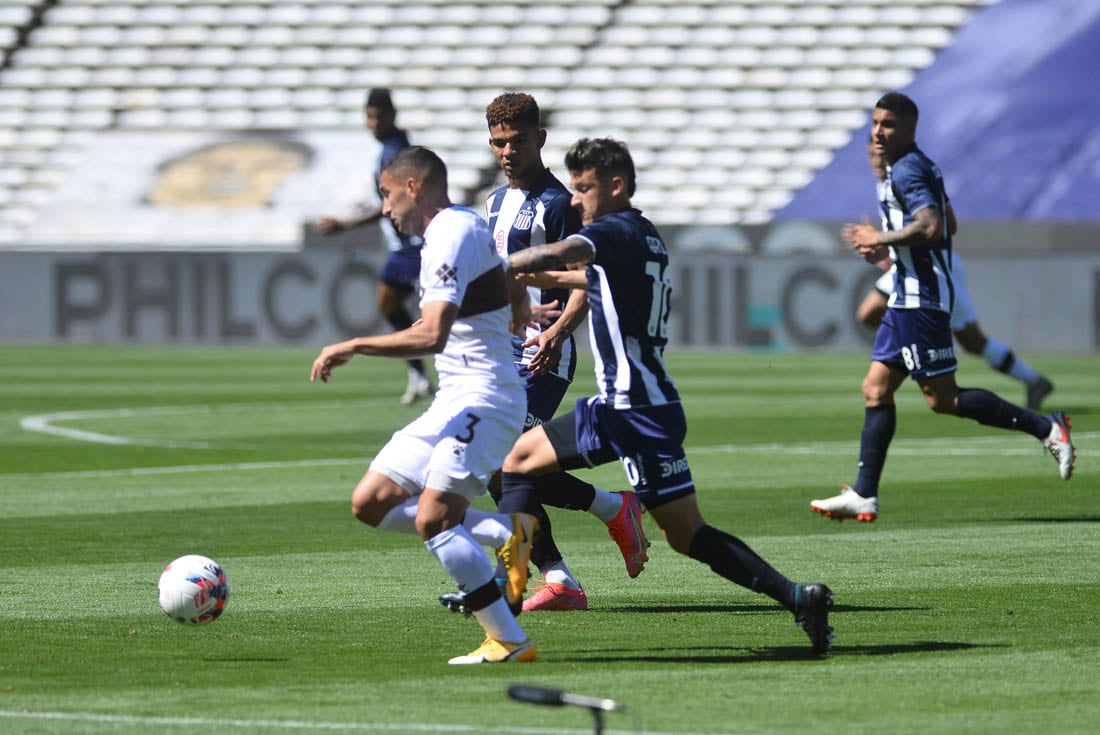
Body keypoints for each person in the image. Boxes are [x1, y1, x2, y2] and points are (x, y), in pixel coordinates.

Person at [501, 137, 835, 655]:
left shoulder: (612, 230)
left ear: (616, 186)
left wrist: (498, 267)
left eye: (584, 188)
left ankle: (511, 591)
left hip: (628, 407)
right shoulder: (641, 237)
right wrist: (526, 274)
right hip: (645, 406)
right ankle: (798, 596)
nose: (574, 199)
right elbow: (578, 274)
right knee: (687, 535)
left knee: (515, 464)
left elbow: (565, 252)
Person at [310, 146, 538, 664]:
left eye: (387, 196)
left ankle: (508, 639)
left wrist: (353, 345)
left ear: (412, 187)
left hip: (486, 395)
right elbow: (505, 275)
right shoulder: (460, 227)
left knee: (433, 520)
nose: (386, 210)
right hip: (453, 398)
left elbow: (433, 334)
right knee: (369, 502)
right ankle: (506, 532)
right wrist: (519, 310)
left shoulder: (449, 234)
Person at [813, 92, 1076, 523]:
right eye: (876, 123)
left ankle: (1047, 428)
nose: (879, 132)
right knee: (876, 388)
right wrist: (897, 245)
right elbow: (947, 222)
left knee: (944, 399)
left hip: (922, 298)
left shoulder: (909, 169)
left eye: (889, 125)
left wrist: (880, 239)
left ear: (910, 129)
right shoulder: (916, 166)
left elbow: (932, 226)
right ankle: (864, 493)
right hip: (905, 294)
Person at [440, 93, 649, 614]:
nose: (507, 151)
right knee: (499, 466)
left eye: (517, 140)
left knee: (508, 461)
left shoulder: (558, 204)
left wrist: (559, 330)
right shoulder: (493, 203)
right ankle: (597, 525)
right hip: (498, 351)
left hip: (542, 353)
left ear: (540, 140)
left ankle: (543, 575)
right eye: (499, 141)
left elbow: (588, 275)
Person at [854, 139, 1055, 411]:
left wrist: (881, 241)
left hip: (934, 270)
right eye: (871, 156)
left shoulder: (907, 176)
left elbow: (939, 225)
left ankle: (1033, 386)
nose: (876, 160)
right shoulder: (886, 183)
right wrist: (889, 252)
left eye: (879, 154)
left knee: (972, 343)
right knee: (870, 315)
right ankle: (1032, 381)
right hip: (912, 270)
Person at [313, 88, 433, 405]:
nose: (374, 123)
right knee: (389, 303)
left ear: (393, 116)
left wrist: (346, 223)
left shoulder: (397, 152)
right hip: (402, 247)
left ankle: (442, 373)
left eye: (379, 116)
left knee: (446, 313)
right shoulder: (387, 150)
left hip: (416, 245)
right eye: (369, 116)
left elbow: (394, 201)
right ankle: (419, 374)